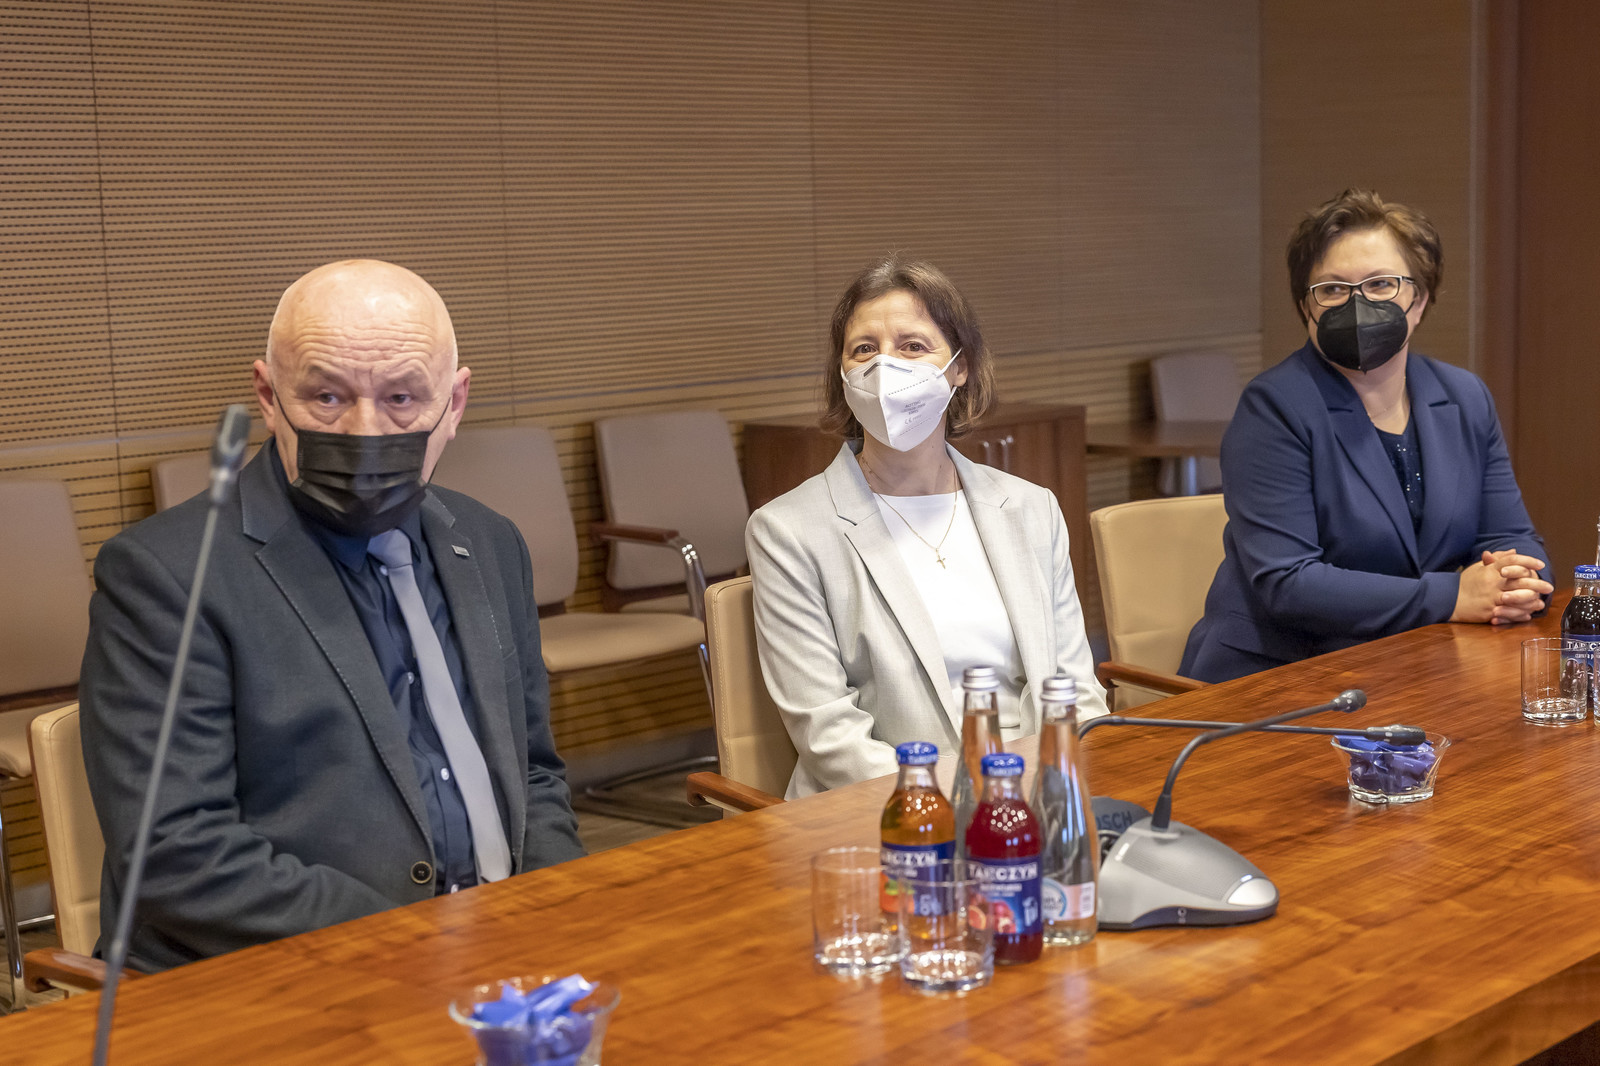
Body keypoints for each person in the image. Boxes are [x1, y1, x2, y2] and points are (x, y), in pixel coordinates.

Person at [79, 260, 585, 972]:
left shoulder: (490, 542)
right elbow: (177, 853)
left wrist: (562, 908)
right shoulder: (165, 576)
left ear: (455, 404)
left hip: (505, 958)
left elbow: (532, 774)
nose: (365, 431)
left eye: (401, 398)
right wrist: (422, 947)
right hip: (291, 974)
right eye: (327, 397)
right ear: (268, 396)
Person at [746, 256, 1107, 798]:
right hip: (891, 807)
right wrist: (954, 805)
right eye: (863, 349)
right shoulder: (787, 531)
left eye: (913, 346)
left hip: (1041, 789)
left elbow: (1074, 687)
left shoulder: (1031, 508)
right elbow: (830, 736)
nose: (884, 366)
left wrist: (1051, 789)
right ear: (842, 374)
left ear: (960, 368)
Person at [1180, 189, 1551, 683]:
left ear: (1419, 299)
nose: (1357, 304)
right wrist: (1454, 596)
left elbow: (1511, 536)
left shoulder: (1464, 397)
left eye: (1380, 284)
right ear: (1306, 308)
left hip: (1415, 664)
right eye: (1333, 289)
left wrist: (1516, 582)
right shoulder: (1274, 407)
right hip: (1279, 675)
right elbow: (1289, 583)